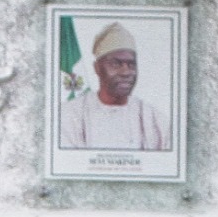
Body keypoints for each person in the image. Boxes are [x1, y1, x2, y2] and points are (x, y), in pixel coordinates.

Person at [58, 22, 171, 151]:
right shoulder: (70, 116)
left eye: (131, 65)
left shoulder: (155, 120)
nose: (126, 72)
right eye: (116, 64)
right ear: (97, 68)